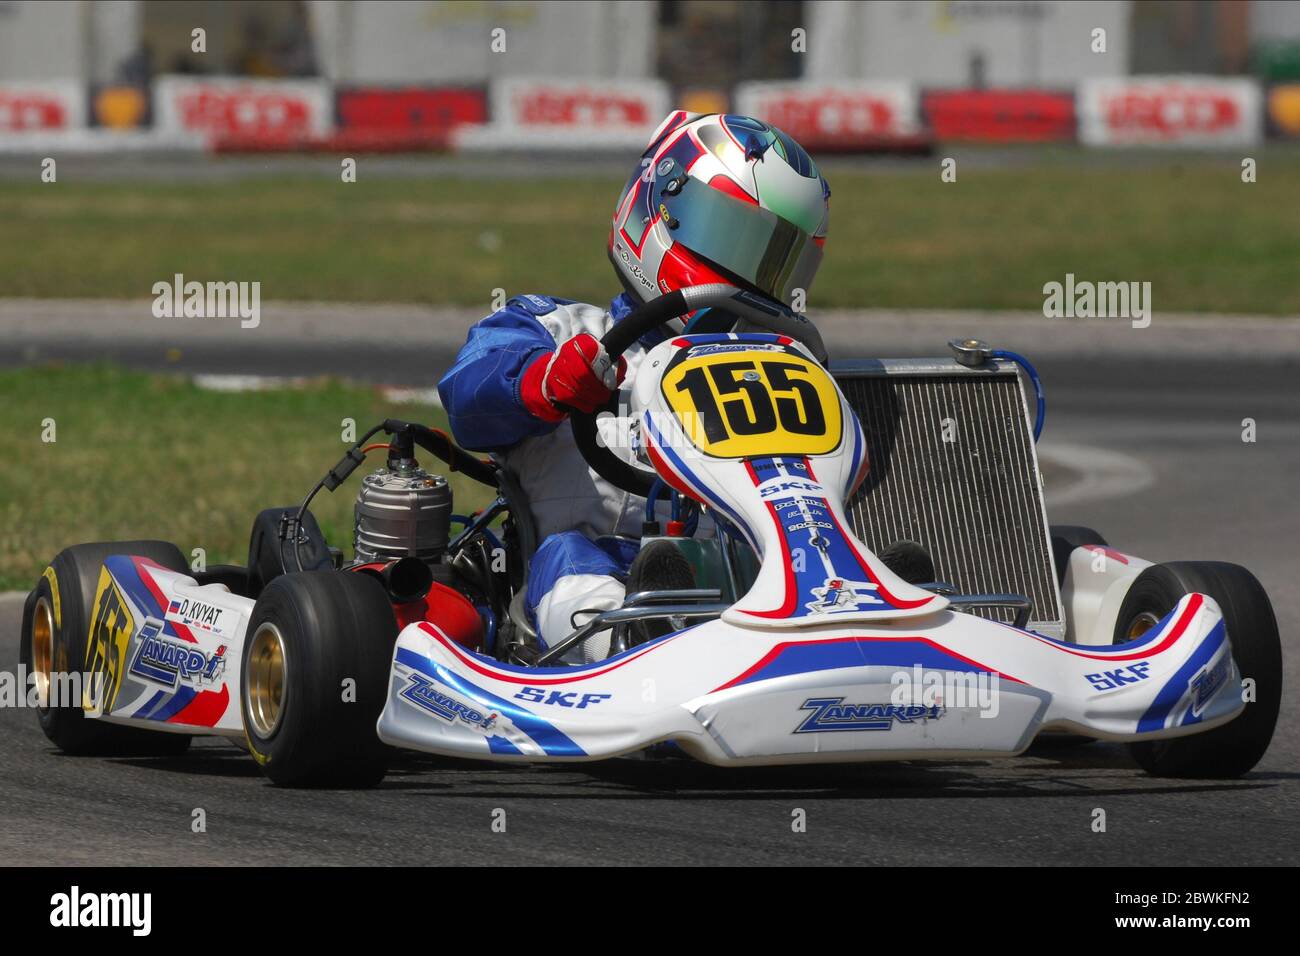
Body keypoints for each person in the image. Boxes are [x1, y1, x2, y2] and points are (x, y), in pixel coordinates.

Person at [438, 112, 831, 661]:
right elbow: (466, 398)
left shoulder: (770, 370)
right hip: (564, 579)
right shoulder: (557, 329)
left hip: (724, 579)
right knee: (572, 559)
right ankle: (630, 646)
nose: (748, 274)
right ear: (661, 209)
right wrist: (544, 383)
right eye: (733, 237)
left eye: (773, 260)